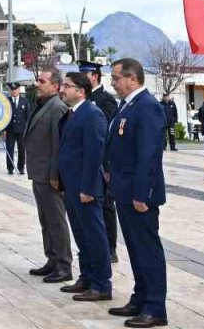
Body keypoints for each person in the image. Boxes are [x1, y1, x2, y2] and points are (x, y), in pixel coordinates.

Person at [105, 59, 167, 327]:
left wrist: (142, 193)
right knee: (134, 248)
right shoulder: (128, 105)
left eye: (116, 78)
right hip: (124, 190)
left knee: (147, 250)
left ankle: (155, 307)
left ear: (132, 78)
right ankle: (140, 298)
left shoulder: (148, 107)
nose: (113, 83)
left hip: (139, 194)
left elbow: (148, 155)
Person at [56, 72, 112, 303]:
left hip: (85, 187)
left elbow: (94, 154)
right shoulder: (73, 113)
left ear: (81, 91)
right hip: (71, 185)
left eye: (67, 86)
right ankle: (87, 276)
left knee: (94, 235)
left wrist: (88, 188)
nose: (62, 90)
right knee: (81, 234)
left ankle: (101, 284)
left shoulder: (92, 114)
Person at [25, 70, 73, 284]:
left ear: (55, 86)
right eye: (38, 80)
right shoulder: (42, 104)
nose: (38, 84)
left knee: (56, 221)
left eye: (42, 81)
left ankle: (64, 265)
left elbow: (58, 146)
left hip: (49, 176)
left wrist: (56, 176)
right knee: (46, 220)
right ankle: (52, 259)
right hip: (39, 174)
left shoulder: (57, 108)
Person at [79, 60, 120, 263]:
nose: (82, 77)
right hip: (85, 160)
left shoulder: (104, 100)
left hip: (102, 161)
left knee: (105, 204)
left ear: (95, 76)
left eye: (85, 74)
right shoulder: (83, 99)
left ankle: (110, 247)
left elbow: (109, 133)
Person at [1, 82, 32, 175]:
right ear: (10, 90)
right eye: (12, 89)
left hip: (21, 130)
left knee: (21, 150)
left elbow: (28, 116)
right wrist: (3, 130)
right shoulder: (7, 101)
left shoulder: (25, 101)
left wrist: (28, 130)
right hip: (10, 130)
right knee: (9, 149)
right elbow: (4, 116)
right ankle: (10, 168)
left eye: (15, 89)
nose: (14, 91)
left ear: (19, 90)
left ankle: (21, 167)